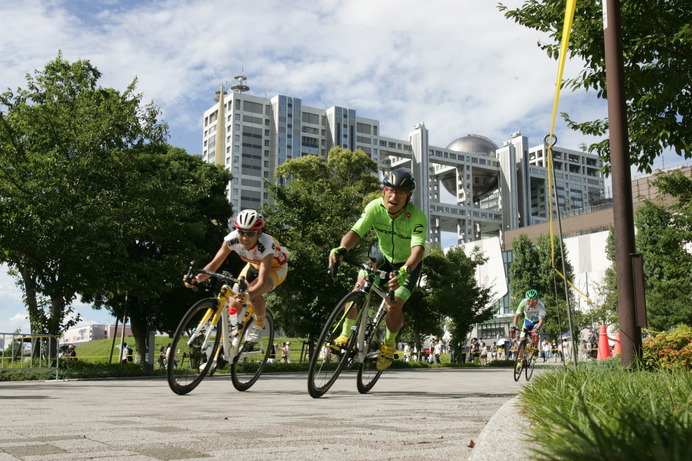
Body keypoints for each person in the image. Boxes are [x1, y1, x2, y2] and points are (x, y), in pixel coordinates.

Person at [328, 169, 427, 371]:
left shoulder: (416, 216)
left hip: (408, 264)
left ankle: (389, 344)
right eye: (390, 190)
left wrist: (405, 271)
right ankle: (345, 335)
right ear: (383, 191)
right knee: (358, 289)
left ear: (408, 197)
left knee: (393, 304)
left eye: (401, 192)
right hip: (383, 257)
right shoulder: (375, 207)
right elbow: (356, 232)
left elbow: (417, 250)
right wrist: (341, 248)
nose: (394, 196)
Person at [184, 209, 289, 344]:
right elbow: (215, 264)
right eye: (241, 232)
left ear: (259, 232)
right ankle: (229, 338)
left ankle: (260, 325)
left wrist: (248, 294)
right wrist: (197, 278)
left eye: (250, 233)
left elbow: (262, 281)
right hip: (253, 265)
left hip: (276, 269)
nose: (245, 238)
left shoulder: (267, 244)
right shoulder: (231, 239)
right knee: (234, 301)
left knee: (254, 293)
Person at [511, 289, 546, 363]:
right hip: (527, 321)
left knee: (534, 333)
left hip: (537, 322)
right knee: (521, 340)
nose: (530, 303)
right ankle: (519, 360)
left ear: (537, 300)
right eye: (528, 301)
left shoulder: (541, 305)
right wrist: (514, 326)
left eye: (533, 302)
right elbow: (517, 316)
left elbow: (541, 321)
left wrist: (536, 329)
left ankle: (535, 347)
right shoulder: (523, 302)